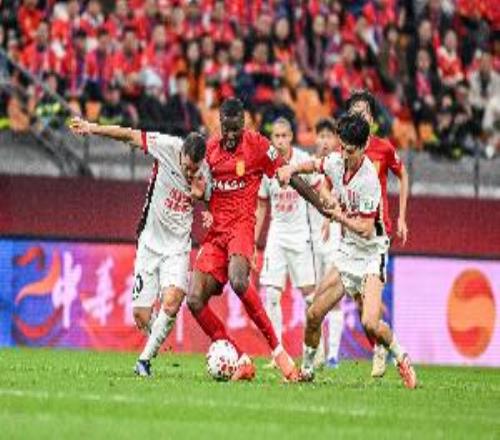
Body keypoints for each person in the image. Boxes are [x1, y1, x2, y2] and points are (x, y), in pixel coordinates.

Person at [277, 113, 417, 389]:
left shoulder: (369, 180)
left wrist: (337, 216)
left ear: (364, 147)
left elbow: (365, 228)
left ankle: (402, 357)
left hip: (372, 253)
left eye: (351, 151)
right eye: (342, 147)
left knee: (371, 323)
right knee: (314, 313)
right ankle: (307, 370)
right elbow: (315, 165)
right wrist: (291, 169)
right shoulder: (337, 160)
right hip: (347, 251)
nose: (345, 154)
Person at [69, 117, 207, 377]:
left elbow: (215, 200)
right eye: (187, 167)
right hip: (150, 243)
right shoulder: (165, 146)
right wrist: (92, 128)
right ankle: (156, 341)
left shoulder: (206, 170)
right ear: (181, 153)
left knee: (172, 301)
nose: (190, 173)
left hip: (177, 247)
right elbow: (128, 135)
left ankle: (143, 362)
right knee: (142, 316)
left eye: (194, 169)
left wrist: (205, 203)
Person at [186, 98, 299, 382]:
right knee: (194, 299)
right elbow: (204, 187)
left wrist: (322, 204)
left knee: (238, 281)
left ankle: (279, 353)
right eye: (227, 129)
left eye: (237, 128)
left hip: (241, 228)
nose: (231, 134)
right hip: (216, 234)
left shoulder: (258, 145)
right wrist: (204, 205)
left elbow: (287, 172)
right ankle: (240, 359)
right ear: (220, 124)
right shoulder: (209, 150)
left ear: (244, 123)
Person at [346, 90, 409, 378]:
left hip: (377, 231)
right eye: (355, 111)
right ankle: (380, 341)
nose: (360, 116)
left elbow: (403, 174)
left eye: (364, 111)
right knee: (360, 302)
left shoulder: (383, 148)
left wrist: (402, 217)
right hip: (352, 233)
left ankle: (382, 347)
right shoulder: (347, 148)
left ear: (372, 118)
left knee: (368, 302)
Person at [254, 117, 316, 368]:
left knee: (310, 296)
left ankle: (315, 348)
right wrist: (254, 243)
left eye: (284, 136)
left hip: (300, 234)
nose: (280, 141)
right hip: (277, 233)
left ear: (291, 137)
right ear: (272, 139)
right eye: (276, 136)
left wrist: (325, 220)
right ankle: (277, 353)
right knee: (271, 294)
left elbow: (319, 188)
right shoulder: (266, 165)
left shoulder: (302, 160)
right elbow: (261, 206)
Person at [309, 118, 343, 368]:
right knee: (313, 296)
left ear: (336, 140)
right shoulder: (308, 166)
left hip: (334, 235)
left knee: (334, 295)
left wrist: (330, 218)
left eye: (329, 136)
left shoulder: (340, 167)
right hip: (310, 239)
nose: (324, 141)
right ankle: (317, 351)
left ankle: (333, 354)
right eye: (320, 136)